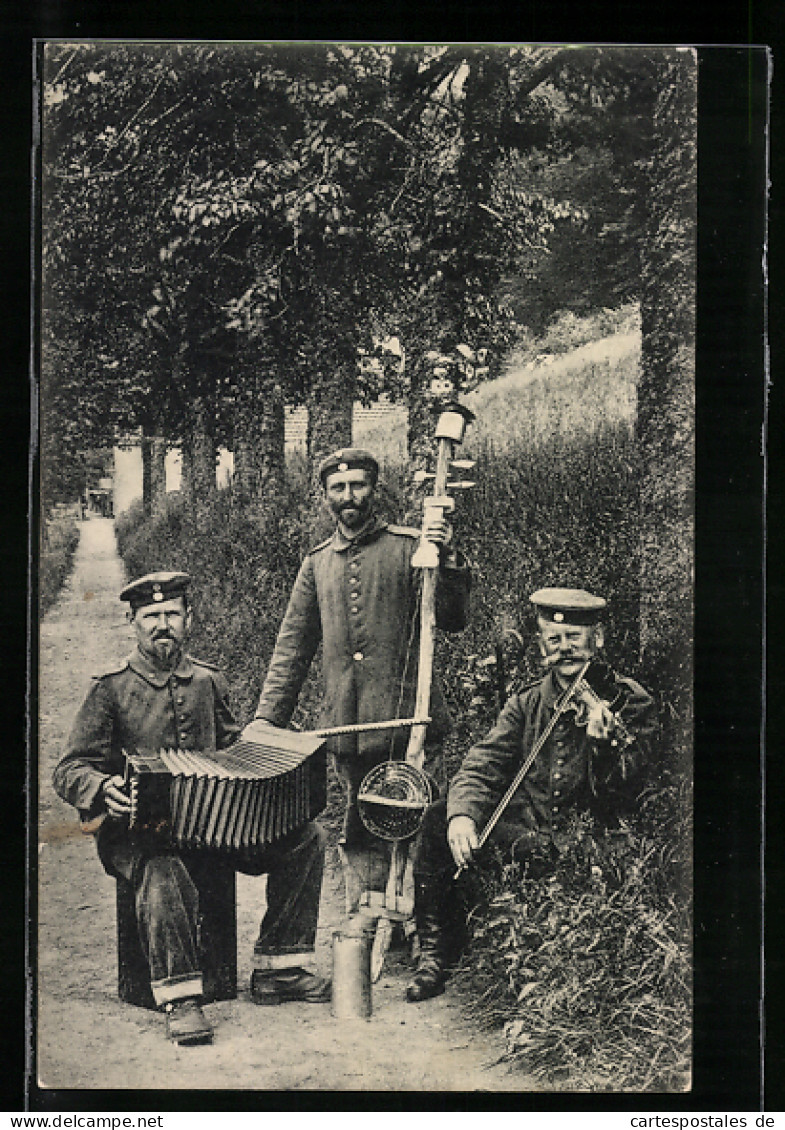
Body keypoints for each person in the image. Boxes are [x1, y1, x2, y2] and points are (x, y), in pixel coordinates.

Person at [53, 571, 329, 1048]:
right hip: (138, 829)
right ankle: (180, 999)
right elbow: (70, 767)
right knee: (161, 866)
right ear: (133, 622)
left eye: (172, 615)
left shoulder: (208, 680)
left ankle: (278, 967)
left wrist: (266, 752)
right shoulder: (110, 689)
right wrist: (102, 788)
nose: (163, 625)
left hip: (215, 825)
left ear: (189, 619)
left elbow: (231, 749)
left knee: (308, 837)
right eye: (151, 616)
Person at [405, 586, 657, 1003]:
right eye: (554, 640)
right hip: (530, 839)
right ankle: (435, 953)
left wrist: (601, 746)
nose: (565, 649)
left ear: (598, 640)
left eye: (575, 638)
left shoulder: (628, 701)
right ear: (541, 644)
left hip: (589, 843)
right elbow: (484, 762)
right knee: (437, 819)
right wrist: (463, 816)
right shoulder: (527, 702)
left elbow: (625, 793)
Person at [254, 447, 471, 904]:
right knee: (362, 821)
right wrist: (267, 722)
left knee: (417, 819)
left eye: (358, 486)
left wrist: (446, 558)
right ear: (325, 496)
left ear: (374, 489)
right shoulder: (316, 564)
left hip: (410, 721)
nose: (348, 496)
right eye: (338, 488)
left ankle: (421, 923)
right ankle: (371, 915)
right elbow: (292, 648)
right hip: (349, 728)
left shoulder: (410, 548)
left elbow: (449, 619)